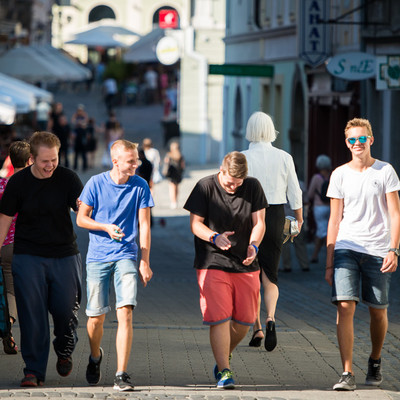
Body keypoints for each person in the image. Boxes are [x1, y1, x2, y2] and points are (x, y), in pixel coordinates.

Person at [0, 131, 83, 387]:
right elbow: (3, 221)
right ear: (32, 158)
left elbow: (84, 210)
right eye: (45, 161)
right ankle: (33, 370)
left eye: (54, 160)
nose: (50, 166)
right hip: (28, 256)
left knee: (65, 311)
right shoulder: (17, 183)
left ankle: (65, 348)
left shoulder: (68, 178)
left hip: (64, 255)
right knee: (32, 315)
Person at [326, 118, 400, 391]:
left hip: (379, 250)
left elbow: (395, 213)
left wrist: (394, 249)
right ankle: (347, 372)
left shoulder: (385, 171)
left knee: (378, 312)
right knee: (345, 306)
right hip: (347, 246)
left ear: (371, 140)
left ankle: (376, 359)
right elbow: (334, 220)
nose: (357, 144)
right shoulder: (339, 174)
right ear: (346, 143)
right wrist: (329, 261)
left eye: (362, 139)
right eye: (351, 140)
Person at [184, 151, 266, 389]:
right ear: (221, 170)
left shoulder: (252, 187)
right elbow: (195, 224)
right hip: (212, 260)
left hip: (245, 261)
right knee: (219, 318)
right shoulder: (205, 187)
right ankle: (225, 371)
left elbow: (260, 222)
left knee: (245, 320)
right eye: (230, 182)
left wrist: (253, 245)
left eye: (237, 184)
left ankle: (222, 356)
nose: (233, 187)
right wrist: (214, 237)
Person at [77, 139, 153, 392]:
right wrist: (105, 227)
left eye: (137, 160)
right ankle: (95, 356)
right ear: (116, 161)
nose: (136, 164)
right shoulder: (96, 183)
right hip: (98, 256)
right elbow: (81, 219)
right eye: (131, 161)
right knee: (96, 317)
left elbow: (144, 225)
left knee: (125, 312)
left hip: (126, 255)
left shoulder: (140, 186)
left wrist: (144, 261)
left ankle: (121, 373)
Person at [241, 111, 303, 351]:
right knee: (271, 276)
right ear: (271, 130)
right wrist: (298, 220)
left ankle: (256, 327)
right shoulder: (284, 156)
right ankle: (271, 318)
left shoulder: (242, 157)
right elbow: (294, 192)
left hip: (248, 216)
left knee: (251, 275)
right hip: (276, 214)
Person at [0, 141, 32, 354]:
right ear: (30, 160)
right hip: (21, 246)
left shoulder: (2, 185)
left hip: (1, 243)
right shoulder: (33, 185)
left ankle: (7, 332)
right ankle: (8, 327)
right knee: (13, 291)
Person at [281, 178, 310, 272]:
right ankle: (304, 264)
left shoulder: (281, 184)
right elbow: (306, 201)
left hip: (285, 216)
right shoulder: (300, 184)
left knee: (285, 243)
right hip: (296, 217)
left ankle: (287, 265)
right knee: (299, 242)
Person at [308, 155, 332, 263]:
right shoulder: (331, 177)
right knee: (326, 230)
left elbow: (310, 194)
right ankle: (316, 255)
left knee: (322, 231)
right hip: (330, 206)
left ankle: (328, 256)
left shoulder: (316, 178)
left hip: (319, 207)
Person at [163, 140, 185, 209]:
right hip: (178, 173)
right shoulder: (180, 156)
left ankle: (173, 201)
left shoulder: (169, 155)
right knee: (177, 187)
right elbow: (183, 166)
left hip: (171, 173)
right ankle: (176, 201)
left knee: (172, 187)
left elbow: (166, 163)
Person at [71, 104, 89, 171]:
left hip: (82, 136)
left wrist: (79, 123)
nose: (79, 112)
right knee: (76, 153)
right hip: (77, 136)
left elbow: (85, 124)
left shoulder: (84, 115)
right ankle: (75, 166)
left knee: (83, 153)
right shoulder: (75, 116)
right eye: (79, 110)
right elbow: (73, 122)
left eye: (81, 110)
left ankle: (84, 166)